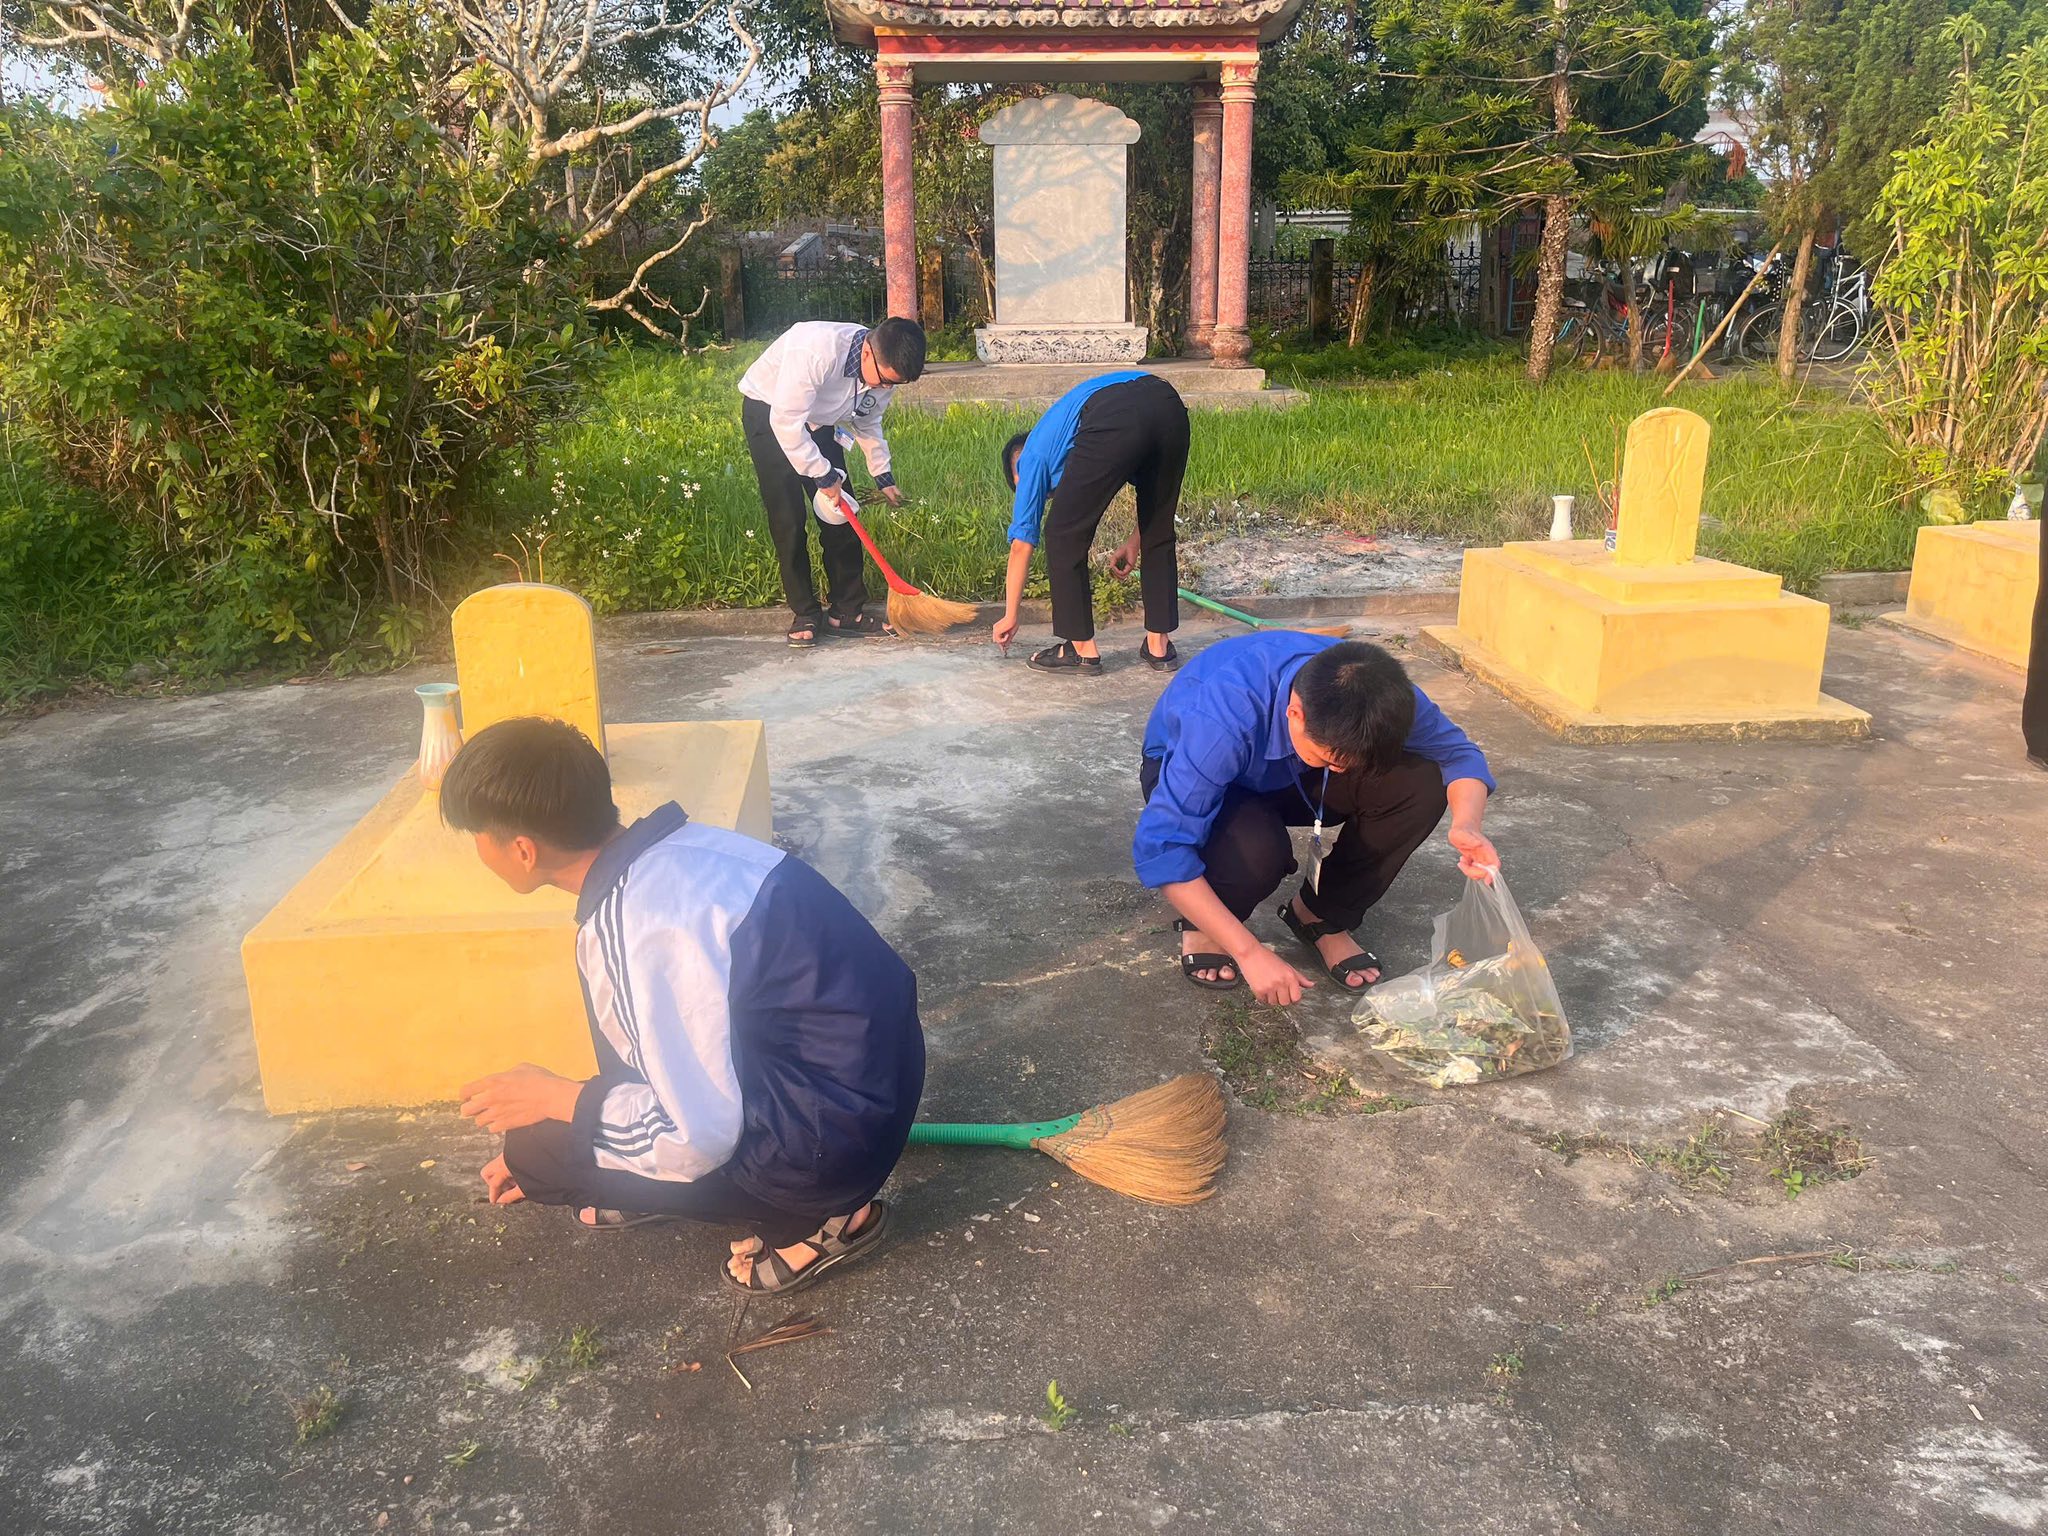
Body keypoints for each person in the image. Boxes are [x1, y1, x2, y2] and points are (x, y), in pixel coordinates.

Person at [440, 717, 925, 1295]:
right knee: (597, 1101)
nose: (478, 849)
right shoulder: (688, 850)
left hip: (830, 1147)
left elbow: (696, 1138)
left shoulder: (638, 921)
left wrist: (555, 1112)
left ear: (522, 850)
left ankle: (825, 1221)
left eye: (478, 835)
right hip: (871, 1088)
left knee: (539, 1146)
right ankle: (640, 1173)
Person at [1133, 634, 1498, 1003]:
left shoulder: (1381, 696)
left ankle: (1319, 914)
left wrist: (1466, 825)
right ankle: (1208, 925)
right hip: (1195, 771)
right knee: (1257, 852)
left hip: (1293, 771)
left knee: (1422, 782)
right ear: (1295, 713)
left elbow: (1459, 755)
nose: (1343, 771)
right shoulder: (1221, 719)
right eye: (1331, 760)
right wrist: (1249, 952)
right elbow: (1163, 846)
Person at [739, 317, 926, 648]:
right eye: (885, 380)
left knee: (842, 514)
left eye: (894, 385)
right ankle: (805, 612)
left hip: (819, 420)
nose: (886, 388)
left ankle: (847, 611)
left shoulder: (883, 371)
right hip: (771, 415)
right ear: (867, 353)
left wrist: (882, 473)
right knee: (789, 519)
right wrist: (822, 474)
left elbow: (868, 419)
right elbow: (786, 422)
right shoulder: (815, 350)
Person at [991, 371, 1188, 675]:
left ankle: (1080, 649)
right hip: (1168, 403)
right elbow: (1154, 509)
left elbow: (1021, 545)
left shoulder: (1030, 458)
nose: (1043, 496)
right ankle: (1158, 647)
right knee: (1159, 528)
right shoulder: (1068, 437)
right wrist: (1133, 543)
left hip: (1115, 408)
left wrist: (1010, 615)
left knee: (1062, 533)